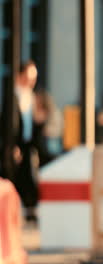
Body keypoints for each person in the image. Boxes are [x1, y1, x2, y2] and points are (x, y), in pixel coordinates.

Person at [0, 61, 44, 223]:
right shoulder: (12, 97)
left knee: (30, 179)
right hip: (15, 146)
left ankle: (30, 213)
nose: (31, 82)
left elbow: (33, 124)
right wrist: (12, 146)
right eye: (28, 78)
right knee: (14, 179)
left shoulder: (31, 97)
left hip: (29, 146)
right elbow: (7, 123)